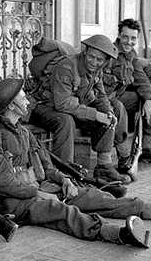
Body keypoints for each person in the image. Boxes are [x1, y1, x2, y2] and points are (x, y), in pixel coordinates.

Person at [0, 78, 151, 248]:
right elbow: (0, 182)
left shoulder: (23, 132)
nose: (28, 101)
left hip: (41, 190)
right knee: (63, 212)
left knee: (96, 197)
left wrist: (64, 180)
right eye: (23, 98)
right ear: (11, 106)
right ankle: (118, 235)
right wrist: (38, 193)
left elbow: (47, 167)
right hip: (15, 204)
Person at [29, 34, 129, 183]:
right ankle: (64, 172)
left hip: (71, 106)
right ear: (85, 52)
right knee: (65, 120)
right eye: (91, 57)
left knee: (115, 107)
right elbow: (62, 104)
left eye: (99, 59)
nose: (94, 62)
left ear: (105, 61)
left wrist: (108, 112)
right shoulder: (67, 66)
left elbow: (101, 96)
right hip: (43, 106)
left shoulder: (97, 70)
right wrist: (95, 115)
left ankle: (104, 166)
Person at [102, 19, 151, 168]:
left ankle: (147, 147)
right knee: (118, 107)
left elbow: (141, 79)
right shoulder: (108, 53)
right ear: (119, 36)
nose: (129, 42)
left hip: (117, 96)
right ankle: (124, 156)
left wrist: (149, 99)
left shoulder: (132, 55)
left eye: (133, 38)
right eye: (125, 37)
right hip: (101, 99)